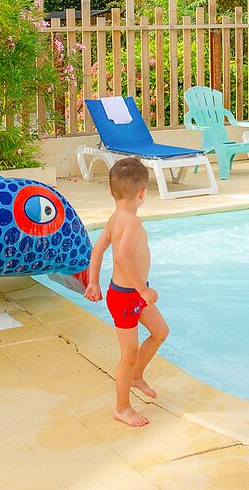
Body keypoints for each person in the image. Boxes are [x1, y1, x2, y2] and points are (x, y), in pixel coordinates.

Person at [84, 156, 170, 427]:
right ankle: (122, 407)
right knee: (128, 354)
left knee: (160, 332)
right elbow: (121, 259)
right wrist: (143, 289)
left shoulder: (115, 218)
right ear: (143, 193)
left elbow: (97, 250)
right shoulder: (131, 222)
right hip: (126, 296)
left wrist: (93, 281)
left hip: (129, 293)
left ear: (112, 191)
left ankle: (136, 376)